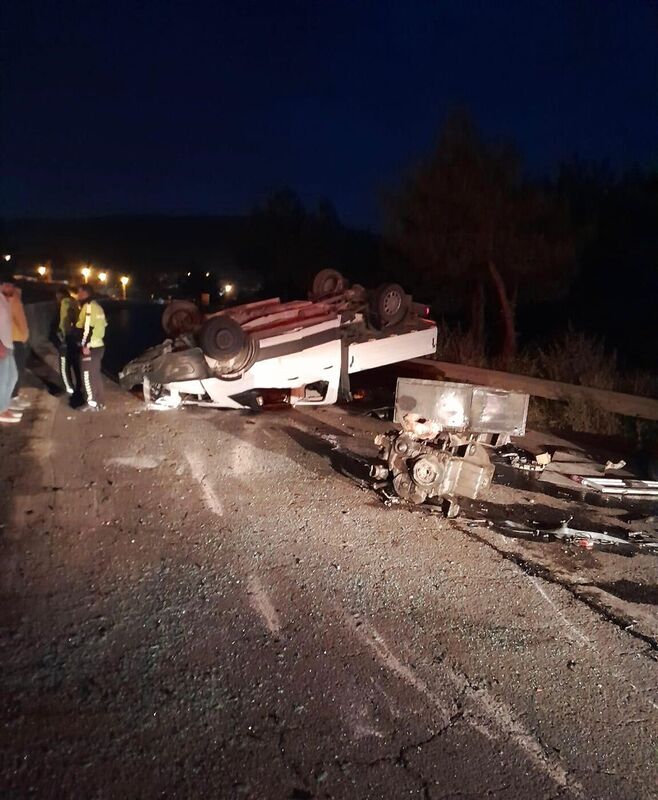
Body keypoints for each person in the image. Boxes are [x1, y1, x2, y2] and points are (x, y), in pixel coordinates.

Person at [76, 285, 107, 410]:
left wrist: (85, 345)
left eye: (79, 292)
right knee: (95, 374)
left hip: (90, 346)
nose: (77, 295)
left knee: (87, 375)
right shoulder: (98, 307)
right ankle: (100, 402)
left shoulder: (87, 307)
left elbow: (87, 329)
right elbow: (103, 325)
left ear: (85, 293)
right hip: (99, 345)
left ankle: (91, 402)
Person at [1, 275, 30, 409]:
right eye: (7, 285)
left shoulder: (15, 299)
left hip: (17, 340)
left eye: (12, 285)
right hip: (9, 340)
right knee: (12, 373)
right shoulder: (5, 301)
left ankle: (13, 397)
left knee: (17, 371)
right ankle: (10, 400)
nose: (10, 288)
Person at [0, 270, 20, 424]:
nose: (13, 289)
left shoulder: (5, 301)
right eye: (10, 286)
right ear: (3, 286)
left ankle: (5, 406)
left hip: (8, 344)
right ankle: (1, 410)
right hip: (2, 345)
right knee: (3, 379)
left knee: (12, 377)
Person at [55, 287, 81, 397]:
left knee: (64, 364)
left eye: (57, 297)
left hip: (67, 337)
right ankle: (80, 385)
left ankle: (69, 387)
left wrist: (63, 336)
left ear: (61, 296)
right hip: (76, 337)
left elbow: (64, 321)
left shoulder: (65, 303)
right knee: (76, 363)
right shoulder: (75, 302)